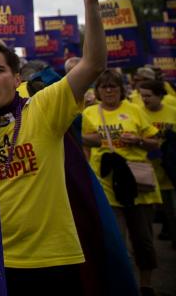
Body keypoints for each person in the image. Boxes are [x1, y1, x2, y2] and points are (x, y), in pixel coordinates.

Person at [0, 0, 108, 294]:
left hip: (51, 261)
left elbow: (94, 64)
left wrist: (90, 4)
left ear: (16, 77)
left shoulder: (43, 109)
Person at [82, 70, 161, 290]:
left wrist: (138, 140)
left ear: (121, 89)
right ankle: (122, 287)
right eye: (104, 87)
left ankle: (146, 287)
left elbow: (154, 142)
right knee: (115, 243)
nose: (109, 90)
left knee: (143, 241)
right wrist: (82, 136)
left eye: (113, 86)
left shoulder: (135, 110)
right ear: (97, 91)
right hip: (106, 184)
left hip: (137, 184)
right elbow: (86, 144)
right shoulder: (90, 113)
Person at [138, 79, 175, 249]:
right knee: (149, 213)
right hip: (146, 170)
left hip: (169, 170)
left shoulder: (173, 111)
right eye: (142, 96)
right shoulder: (137, 112)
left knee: (171, 209)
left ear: (160, 96)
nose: (145, 99)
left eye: (149, 96)